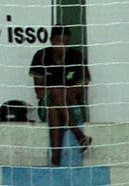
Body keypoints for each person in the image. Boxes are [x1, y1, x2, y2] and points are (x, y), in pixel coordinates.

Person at [29, 25, 91, 167]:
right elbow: (40, 92)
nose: (63, 45)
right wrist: (60, 92)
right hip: (46, 107)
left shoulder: (76, 56)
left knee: (56, 102)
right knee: (54, 102)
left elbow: (81, 91)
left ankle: (55, 162)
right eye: (59, 41)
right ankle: (79, 136)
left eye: (66, 42)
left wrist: (61, 93)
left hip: (74, 108)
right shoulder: (41, 56)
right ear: (51, 40)